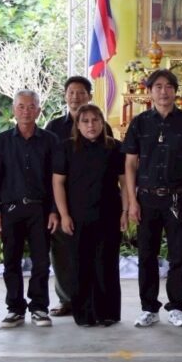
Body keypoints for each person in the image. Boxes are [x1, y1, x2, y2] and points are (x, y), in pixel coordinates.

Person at [123, 69, 182, 328]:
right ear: (149, 91)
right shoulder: (140, 123)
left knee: (179, 254)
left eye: (168, 86)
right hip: (146, 198)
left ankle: (176, 306)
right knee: (147, 255)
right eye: (158, 86)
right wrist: (132, 201)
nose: (164, 91)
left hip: (178, 198)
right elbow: (130, 164)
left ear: (176, 91)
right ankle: (149, 308)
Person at [0, 90, 59, 328]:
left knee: (41, 262)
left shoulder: (50, 140)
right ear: (13, 110)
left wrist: (54, 210)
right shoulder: (1, 142)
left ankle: (39, 307)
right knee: (11, 261)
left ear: (38, 110)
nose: (26, 111)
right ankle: (15, 309)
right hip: (10, 210)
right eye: (21, 106)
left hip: (41, 210)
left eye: (31, 107)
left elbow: (56, 179)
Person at [52, 105, 126, 327]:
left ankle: (108, 313)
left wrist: (125, 211)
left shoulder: (114, 148)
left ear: (102, 122)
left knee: (106, 264)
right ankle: (84, 314)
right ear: (78, 125)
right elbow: (58, 183)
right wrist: (64, 215)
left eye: (95, 120)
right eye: (85, 121)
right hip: (77, 216)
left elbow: (124, 182)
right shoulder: (66, 148)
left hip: (109, 214)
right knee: (80, 265)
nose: (90, 125)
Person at [45, 76, 112, 319]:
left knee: (93, 257)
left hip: (96, 206)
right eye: (71, 92)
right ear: (65, 96)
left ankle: (94, 304)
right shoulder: (54, 127)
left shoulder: (102, 127)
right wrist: (55, 210)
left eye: (81, 92)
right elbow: (52, 173)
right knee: (64, 255)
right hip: (63, 203)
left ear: (89, 96)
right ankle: (67, 300)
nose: (75, 97)